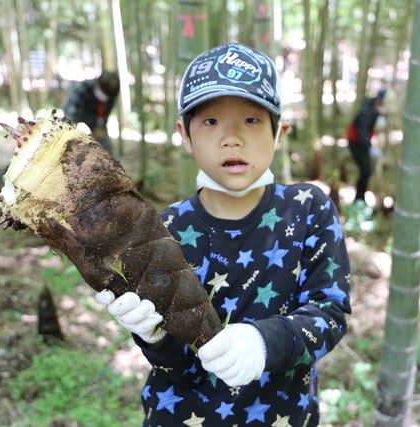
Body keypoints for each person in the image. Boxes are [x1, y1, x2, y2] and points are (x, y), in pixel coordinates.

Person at [96, 43, 352, 426]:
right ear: (185, 135)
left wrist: (264, 341)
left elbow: (330, 312)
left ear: (279, 132)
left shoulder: (307, 208)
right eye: (211, 122)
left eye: (251, 120)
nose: (232, 138)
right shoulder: (165, 231)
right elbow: (181, 367)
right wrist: (152, 336)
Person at [62, 70, 120, 154]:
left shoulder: (112, 93)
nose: (105, 97)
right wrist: (74, 131)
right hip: (76, 114)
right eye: (103, 93)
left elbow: (105, 115)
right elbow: (71, 113)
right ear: (97, 83)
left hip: (94, 119)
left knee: (106, 145)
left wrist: (101, 128)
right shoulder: (83, 88)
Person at [346, 89, 386, 205]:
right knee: (366, 171)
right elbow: (361, 131)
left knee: (367, 171)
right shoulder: (367, 110)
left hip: (362, 143)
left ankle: (360, 198)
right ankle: (358, 199)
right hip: (355, 143)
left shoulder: (375, 110)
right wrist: (369, 147)